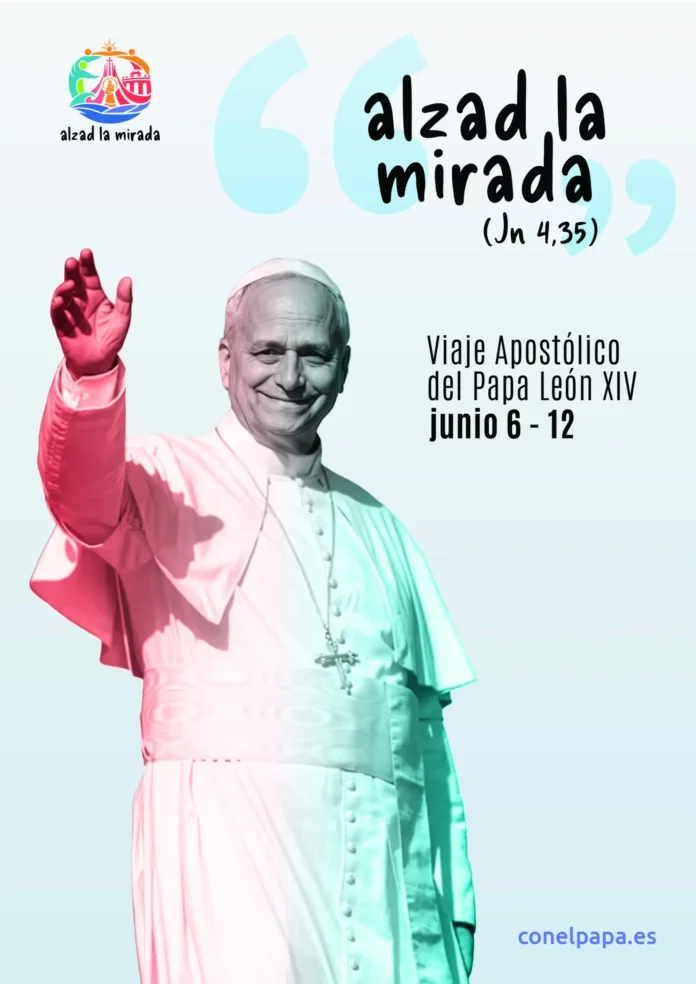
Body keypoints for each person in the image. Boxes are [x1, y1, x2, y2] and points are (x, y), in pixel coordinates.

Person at [31, 248, 477, 984]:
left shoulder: (383, 528)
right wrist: (90, 378)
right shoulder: (164, 476)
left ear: (344, 366)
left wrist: (446, 909)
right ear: (225, 360)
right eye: (268, 351)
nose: (291, 377)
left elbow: (423, 743)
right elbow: (80, 495)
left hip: (380, 870)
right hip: (227, 842)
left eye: (314, 354)